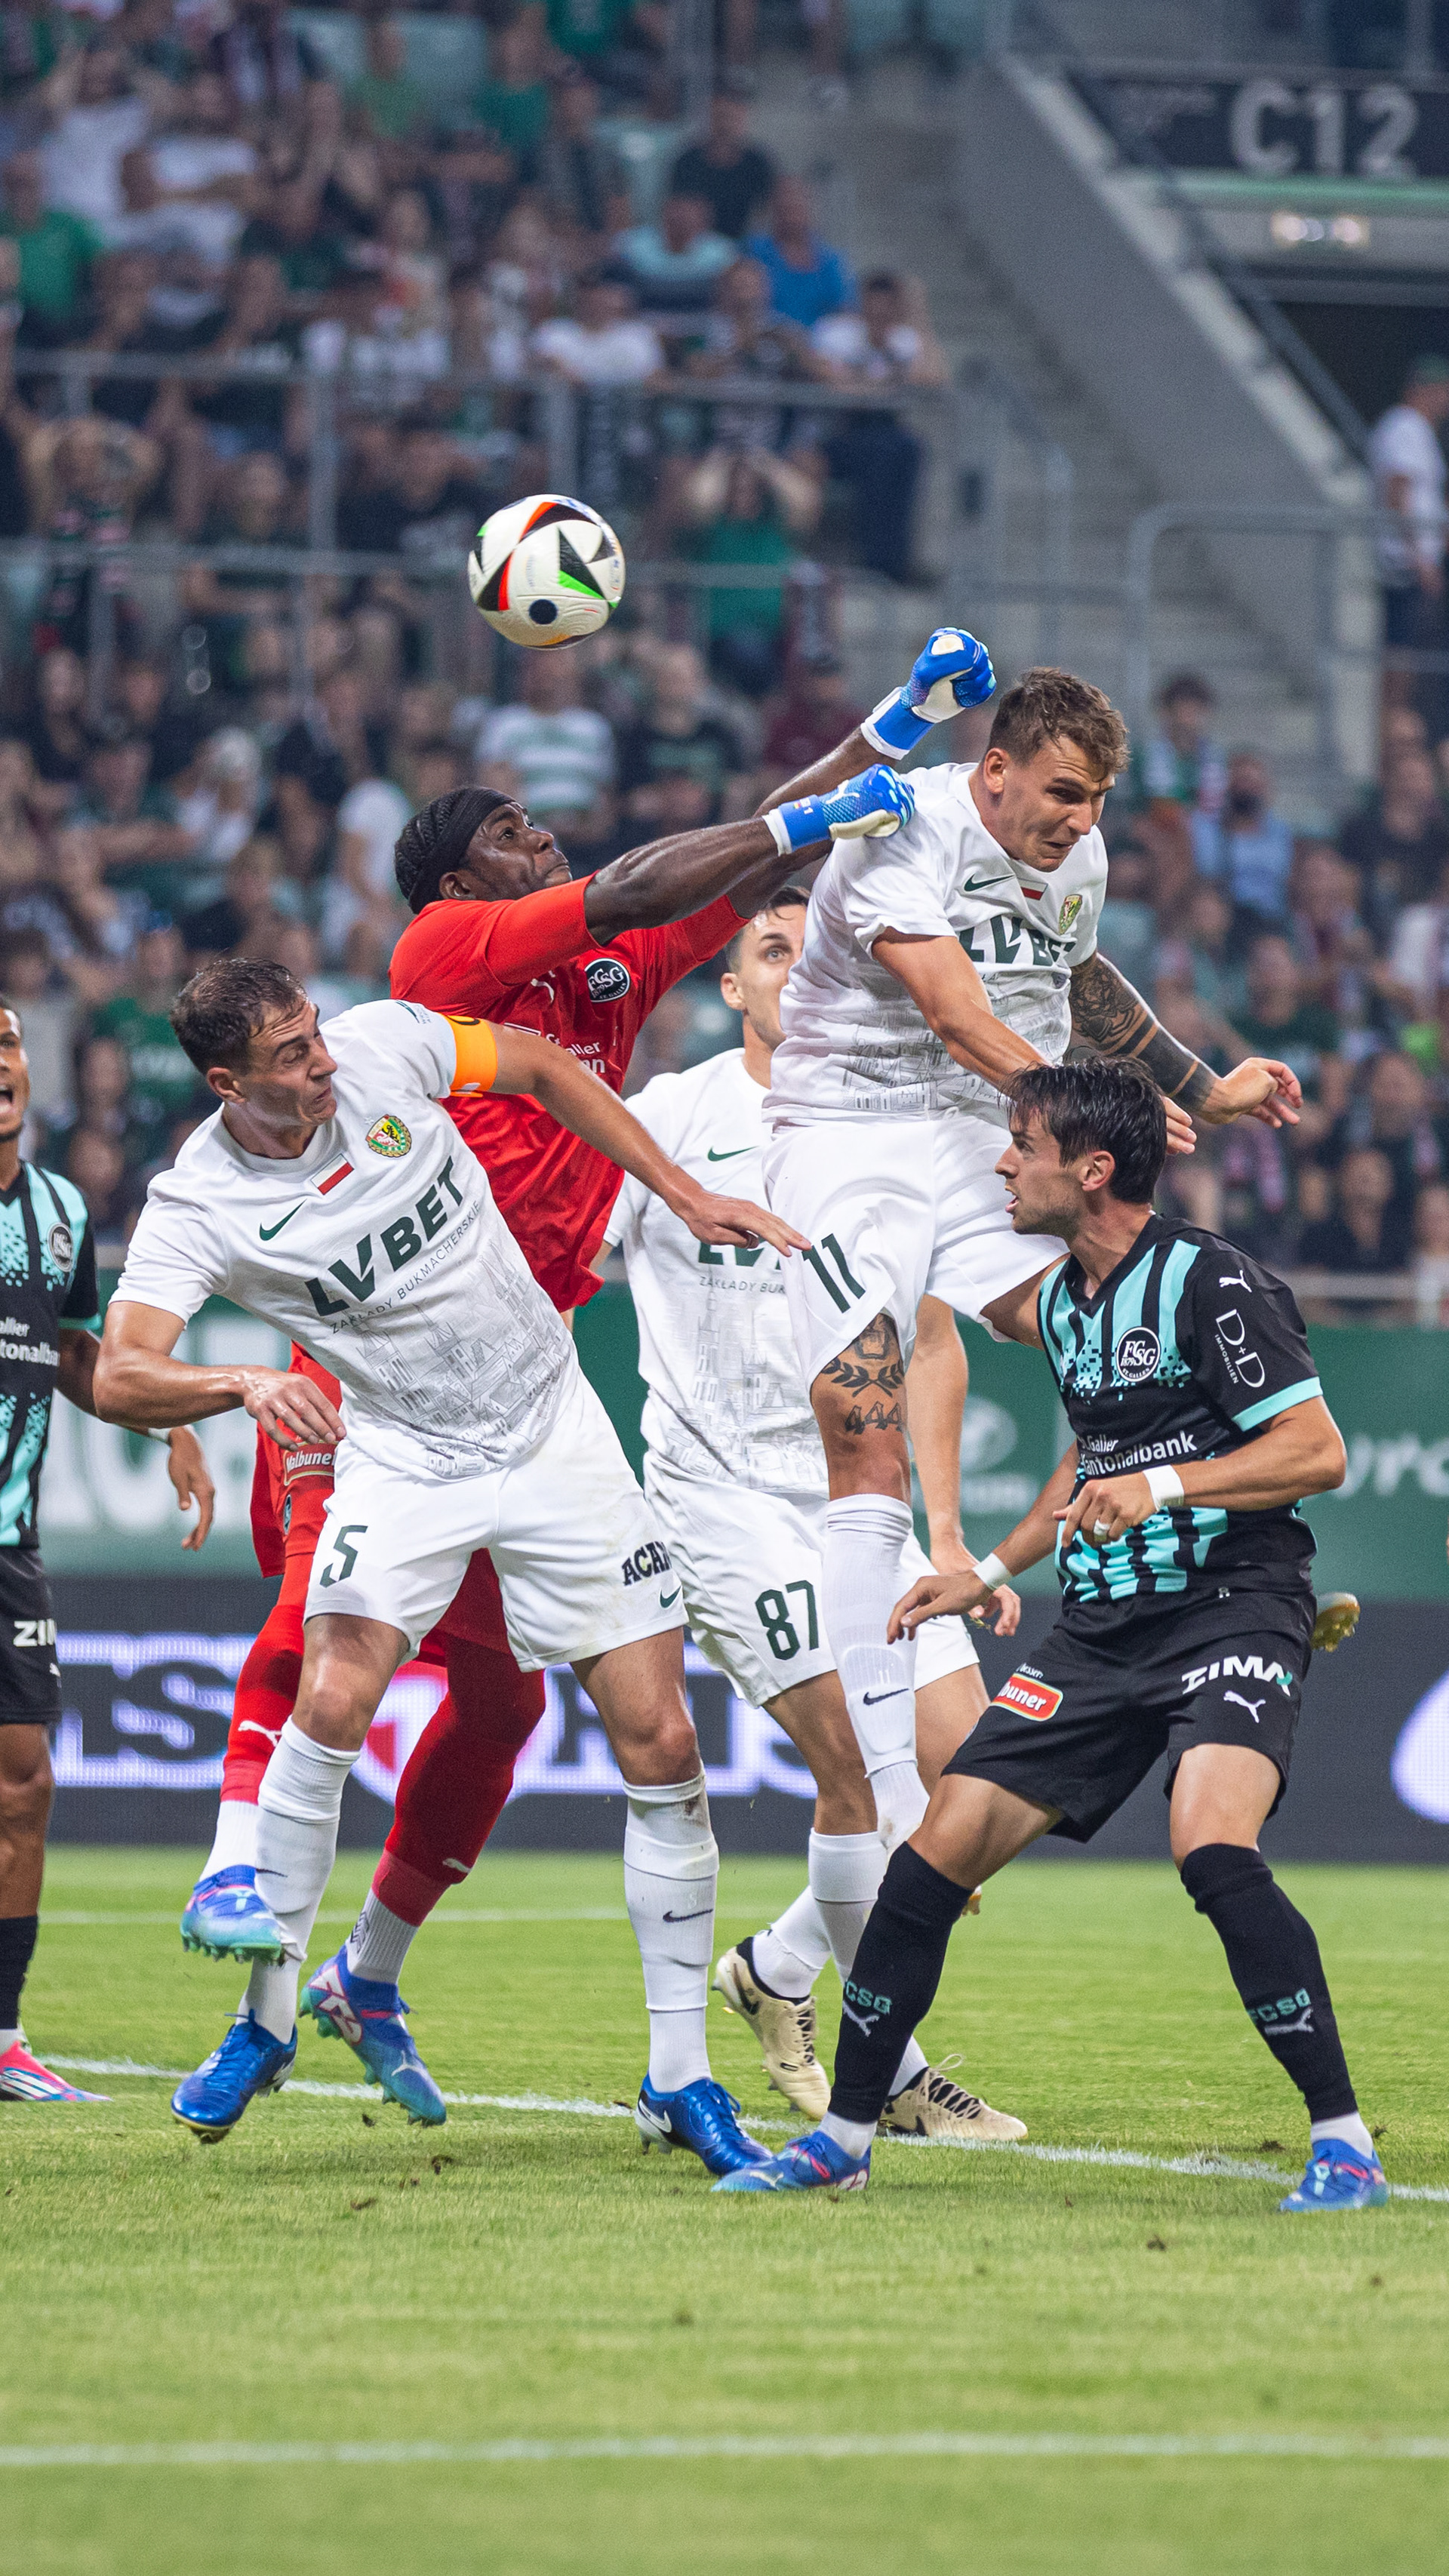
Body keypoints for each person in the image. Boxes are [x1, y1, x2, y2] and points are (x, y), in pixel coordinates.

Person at [168, 758, 900, 2132]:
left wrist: (882, 741)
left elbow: (730, 863)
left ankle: (367, 1979)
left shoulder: (605, 976)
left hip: (530, 1385)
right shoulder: (439, 961)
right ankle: (246, 1957)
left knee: (511, 1709)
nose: (543, 833)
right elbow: (634, 880)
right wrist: (205, 1394)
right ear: (460, 884)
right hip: (374, 1381)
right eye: (510, 830)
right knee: (325, 1649)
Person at [96, 959, 806, 2171]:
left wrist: (680, 1192)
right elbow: (121, 1371)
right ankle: (265, 2021)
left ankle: (680, 2076)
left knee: (663, 1741)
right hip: (404, 1455)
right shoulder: (198, 1202)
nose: (322, 1061)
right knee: (331, 1697)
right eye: (289, 1056)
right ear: (226, 1082)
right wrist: (241, 1381)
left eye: (314, 1033)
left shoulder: (386, 1045)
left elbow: (538, 1067)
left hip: (553, 1426)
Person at [721, 1059, 1386, 2214]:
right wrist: (979, 1573)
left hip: (1231, 1606)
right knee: (929, 1861)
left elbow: (1315, 1450)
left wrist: (1165, 1487)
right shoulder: (1067, 1305)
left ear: (1092, 1170)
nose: (1002, 1163)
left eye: (1021, 1146)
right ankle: (842, 2137)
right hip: (1101, 1633)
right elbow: (1092, 1460)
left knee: (1210, 1846)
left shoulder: (1211, 1282)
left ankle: (1345, 2144)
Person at [754, 642, 1300, 1860]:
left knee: (1127, 1331)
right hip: (848, 1130)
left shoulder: (1075, 858)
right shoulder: (903, 830)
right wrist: (1090, 1109)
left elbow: (1077, 973)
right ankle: (890, 1788)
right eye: (1063, 793)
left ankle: (1234, 1596)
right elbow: (956, 1015)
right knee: (864, 1423)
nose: (1082, 821)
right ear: (994, 770)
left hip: (983, 1135)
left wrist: (1199, 1088)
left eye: (1098, 799)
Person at [601, 885, 1025, 2141]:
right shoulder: (668, 1117)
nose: (796, 967)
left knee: (974, 1788)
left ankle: (778, 1966)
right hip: (724, 1496)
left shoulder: (894, 1126)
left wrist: (945, 1532)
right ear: (733, 986)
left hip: (864, 1502)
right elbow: (557, 1250)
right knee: (856, 1764)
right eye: (771, 950)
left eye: (814, 948)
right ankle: (888, 2074)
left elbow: (931, 1341)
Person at [0, 995, 214, 2107]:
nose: (0, 1061)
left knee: (24, 1783)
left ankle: (2, 2038)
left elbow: (74, 1350)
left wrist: (166, 1418)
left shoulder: (57, 1209)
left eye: (7, 1040)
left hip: (10, 1547)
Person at [1370, 355, 1449, 727]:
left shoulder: (1418, 431)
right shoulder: (1405, 426)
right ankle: (1391, 743)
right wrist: (1420, 559)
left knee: (1411, 663)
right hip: (1405, 566)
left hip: (1416, 563)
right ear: (1423, 389)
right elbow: (1398, 493)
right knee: (1400, 662)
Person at [669, 79, 777, 242]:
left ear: (742, 120)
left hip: (746, 243)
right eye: (719, 116)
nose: (725, 125)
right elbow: (678, 208)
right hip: (699, 245)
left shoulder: (758, 163)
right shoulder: (687, 161)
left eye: (731, 117)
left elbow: (768, 209)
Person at [743, 178, 854, 332]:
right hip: (768, 335)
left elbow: (844, 307)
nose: (791, 217)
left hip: (820, 340)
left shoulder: (830, 260)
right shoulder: (754, 252)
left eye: (796, 208)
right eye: (784, 209)